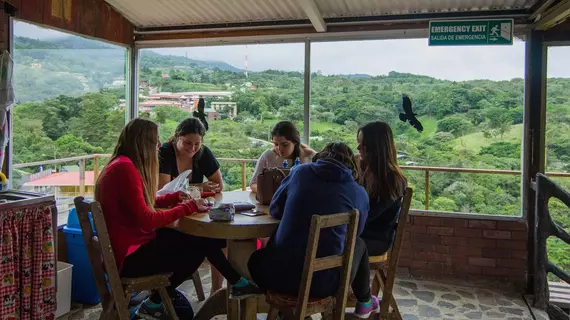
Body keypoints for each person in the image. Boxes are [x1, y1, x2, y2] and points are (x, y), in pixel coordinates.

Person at [96, 118, 260, 320]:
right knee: (197, 243)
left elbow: (144, 201)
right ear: (142, 142)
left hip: (125, 249)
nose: (158, 145)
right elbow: (148, 219)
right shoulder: (126, 169)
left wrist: (175, 198)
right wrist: (188, 206)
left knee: (197, 239)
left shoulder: (120, 164)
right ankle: (156, 301)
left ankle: (237, 283)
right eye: (154, 140)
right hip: (130, 257)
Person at [248, 142, 380, 319]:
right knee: (358, 243)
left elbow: (275, 209)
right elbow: (355, 233)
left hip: (277, 276)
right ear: (352, 166)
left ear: (321, 157)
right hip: (324, 284)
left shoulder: (299, 172)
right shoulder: (359, 192)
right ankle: (364, 301)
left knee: (255, 260)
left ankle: (286, 311)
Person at [357, 121, 408, 256]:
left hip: (376, 238)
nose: (358, 147)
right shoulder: (363, 169)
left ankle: (346, 277)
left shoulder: (393, 179)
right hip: (359, 232)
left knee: (335, 244)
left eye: (363, 145)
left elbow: (369, 214)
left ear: (375, 148)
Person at [158, 117, 223, 192]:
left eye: (197, 144)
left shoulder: (203, 152)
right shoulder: (165, 152)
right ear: (177, 137)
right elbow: (163, 190)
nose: (192, 148)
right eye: (188, 143)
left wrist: (184, 188)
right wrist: (198, 187)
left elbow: (218, 186)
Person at [250, 121, 316, 193]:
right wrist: (274, 194)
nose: (279, 149)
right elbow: (253, 184)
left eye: (285, 145)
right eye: (276, 144)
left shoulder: (312, 157)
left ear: (295, 142)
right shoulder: (268, 156)